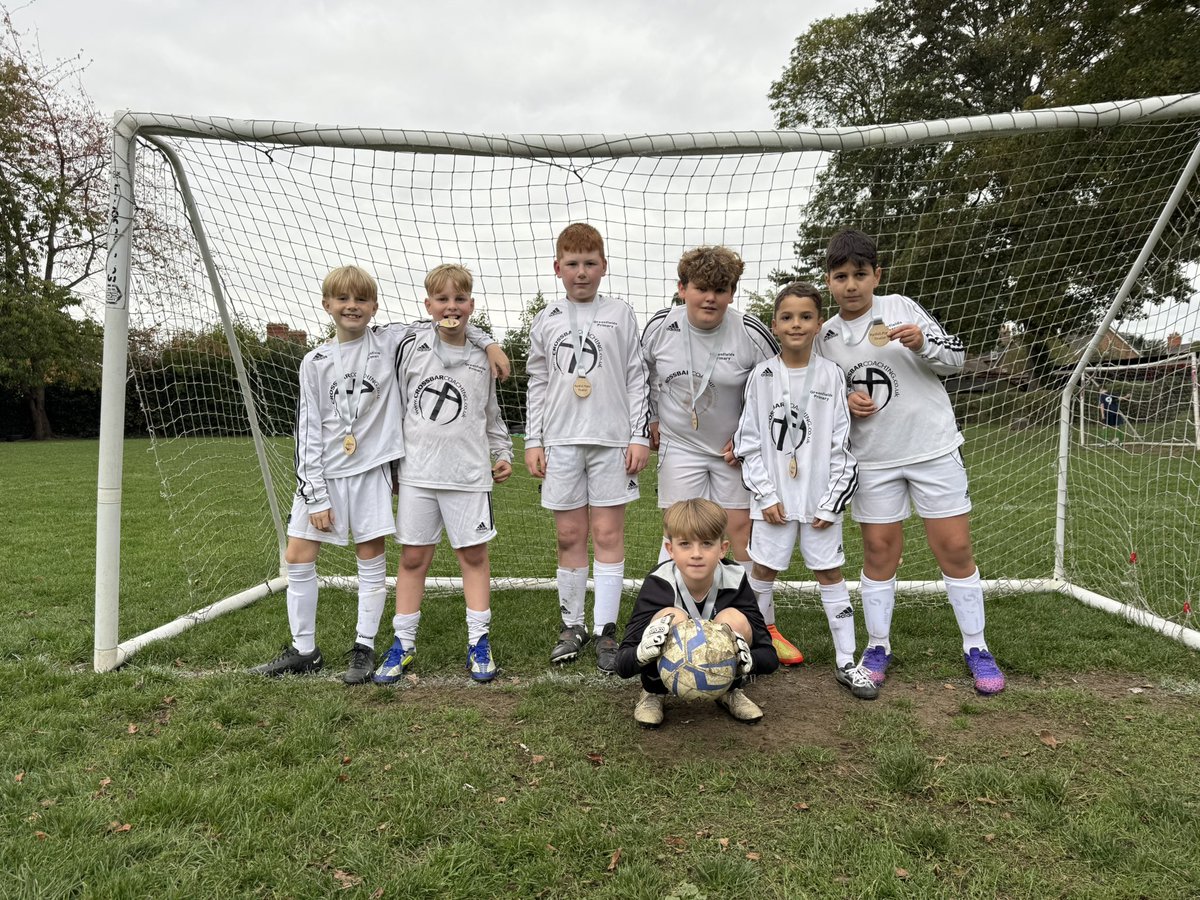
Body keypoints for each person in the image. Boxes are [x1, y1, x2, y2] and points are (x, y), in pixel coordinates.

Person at [254, 264, 508, 683]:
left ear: (374, 306)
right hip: (333, 473)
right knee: (298, 555)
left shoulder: (391, 341)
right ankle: (304, 650)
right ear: (327, 305)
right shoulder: (317, 361)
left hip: (375, 471)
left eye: (361, 299)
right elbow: (307, 428)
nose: (352, 306)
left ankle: (365, 647)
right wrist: (314, 492)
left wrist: (490, 342)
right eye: (342, 299)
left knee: (373, 559)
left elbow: (450, 320)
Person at [816, 229, 1005, 694]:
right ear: (829, 281)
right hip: (873, 460)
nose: (851, 285)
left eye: (860, 274)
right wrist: (844, 399)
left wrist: (923, 343)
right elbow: (817, 394)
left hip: (931, 448)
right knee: (879, 552)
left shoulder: (901, 307)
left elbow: (956, 359)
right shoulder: (825, 336)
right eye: (841, 276)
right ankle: (877, 646)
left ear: (877, 275)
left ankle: (976, 646)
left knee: (954, 548)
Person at [641, 246, 805, 667]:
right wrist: (651, 420)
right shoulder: (660, 327)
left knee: (739, 535)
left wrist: (750, 436)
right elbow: (641, 378)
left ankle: (762, 627)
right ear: (682, 289)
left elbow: (776, 385)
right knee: (681, 533)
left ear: (732, 293)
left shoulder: (750, 332)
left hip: (733, 451)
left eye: (721, 289)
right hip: (680, 445)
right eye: (701, 288)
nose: (710, 298)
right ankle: (668, 626)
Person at [373, 264, 514, 685]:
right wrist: (393, 466)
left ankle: (479, 641)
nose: (451, 307)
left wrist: (503, 452)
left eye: (459, 299)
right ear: (428, 304)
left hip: (467, 476)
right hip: (417, 474)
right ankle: (403, 643)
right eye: (442, 299)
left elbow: (491, 415)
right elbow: (397, 409)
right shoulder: (411, 346)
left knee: (473, 557)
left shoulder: (482, 358)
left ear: (471, 304)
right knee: (413, 558)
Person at [733, 282, 875, 699]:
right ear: (775, 324)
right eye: (788, 317)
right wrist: (765, 495)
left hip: (819, 503)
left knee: (830, 574)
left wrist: (830, 504)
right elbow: (748, 443)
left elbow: (841, 446)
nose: (796, 324)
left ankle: (846, 661)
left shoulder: (831, 375)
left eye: (806, 317)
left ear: (818, 324)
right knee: (761, 572)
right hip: (772, 503)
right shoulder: (761, 376)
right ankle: (755, 652)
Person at [524, 223, 651, 672]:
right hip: (560, 441)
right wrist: (533, 439)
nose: (581, 272)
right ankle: (572, 625)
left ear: (604, 266)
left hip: (612, 441)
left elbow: (636, 377)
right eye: (573, 264)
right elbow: (538, 381)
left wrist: (638, 435)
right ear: (557, 267)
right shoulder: (547, 318)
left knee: (608, 535)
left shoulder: (620, 313)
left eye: (590, 263)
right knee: (569, 536)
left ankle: (605, 629)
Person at [614, 498, 779, 727]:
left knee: (731, 619)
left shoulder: (735, 579)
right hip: (662, 672)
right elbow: (621, 664)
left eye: (707, 543)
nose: (696, 554)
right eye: (685, 544)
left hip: (726, 671)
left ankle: (729, 690)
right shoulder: (658, 583)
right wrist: (640, 653)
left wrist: (749, 660)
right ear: (670, 549)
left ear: (723, 549)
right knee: (673, 618)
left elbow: (770, 656)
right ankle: (653, 691)